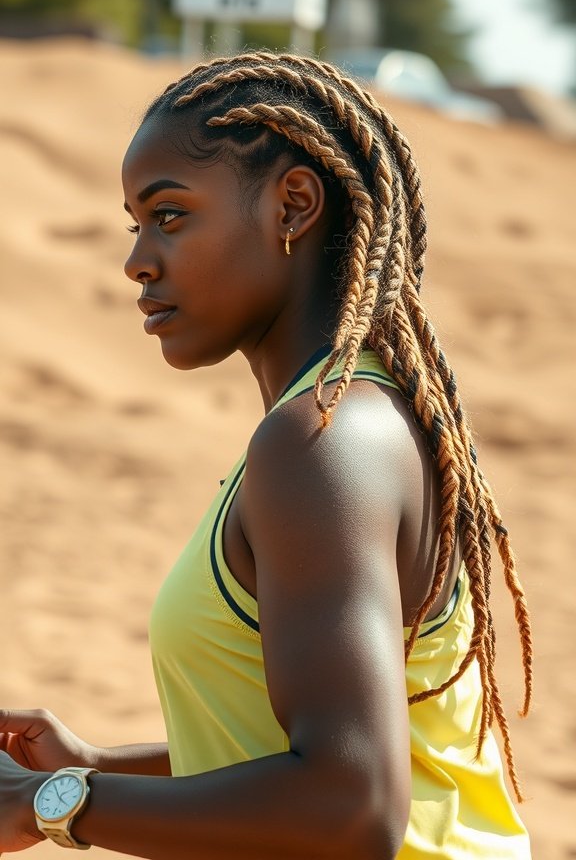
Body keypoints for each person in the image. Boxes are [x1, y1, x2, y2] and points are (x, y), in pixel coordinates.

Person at [0, 51, 533, 858]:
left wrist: (49, 803)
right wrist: (93, 767)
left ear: (292, 205)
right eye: (136, 225)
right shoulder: (344, 420)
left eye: (170, 215)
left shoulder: (322, 443)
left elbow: (351, 807)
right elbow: (307, 740)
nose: (138, 260)